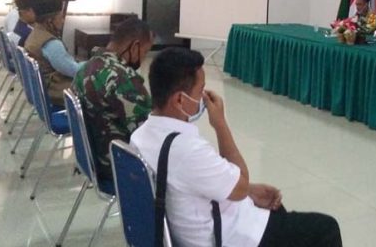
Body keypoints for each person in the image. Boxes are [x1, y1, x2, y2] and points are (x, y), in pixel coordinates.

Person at [130, 48, 342, 247]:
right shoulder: (187, 149)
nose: (204, 97)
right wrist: (220, 124)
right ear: (179, 99)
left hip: (202, 219)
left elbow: (200, 183)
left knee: (277, 211)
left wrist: (250, 191)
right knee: (326, 228)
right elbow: (240, 185)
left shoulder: (139, 137)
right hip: (229, 236)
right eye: (200, 90)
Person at [72, 18, 154, 181]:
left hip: (91, 156)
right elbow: (151, 136)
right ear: (135, 46)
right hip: (116, 165)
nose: (143, 59)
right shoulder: (124, 80)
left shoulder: (86, 67)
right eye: (145, 52)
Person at [24, 0, 84, 105]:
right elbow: (72, 70)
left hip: (43, 90)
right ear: (49, 20)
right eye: (60, 17)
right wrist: (92, 64)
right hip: (56, 91)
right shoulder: (50, 43)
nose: (63, 20)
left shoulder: (35, 33)